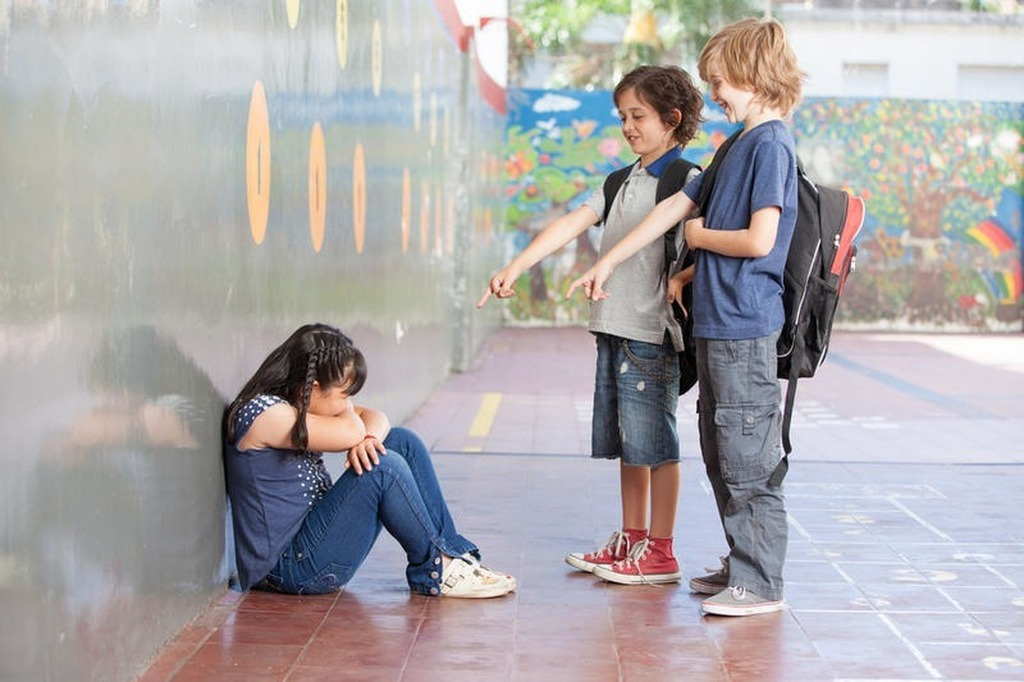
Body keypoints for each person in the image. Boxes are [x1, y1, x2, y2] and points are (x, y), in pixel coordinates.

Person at [567, 18, 805, 616]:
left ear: (755, 75)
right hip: (718, 325)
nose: (716, 93)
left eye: (720, 81)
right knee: (724, 450)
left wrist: (698, 235)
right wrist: (637, 267)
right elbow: (674, 208)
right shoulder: (737, 146)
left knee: (748, 456)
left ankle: (761, 582)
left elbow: (758, 240)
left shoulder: (771, 143)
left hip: (746, 326)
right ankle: (741, 562)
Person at [479, 65, 705, 585]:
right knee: (630, 443)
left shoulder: (684, 180)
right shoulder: (620, 180)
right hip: (615, 328)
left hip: (652, 332)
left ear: (672, 119)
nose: (627, 126)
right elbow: (570, 223)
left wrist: (684, 276)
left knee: (657, 444)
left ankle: (662, 550)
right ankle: (632, 538)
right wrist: (517, 265)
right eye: (623, 116)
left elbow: (707, 243)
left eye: (638, 116)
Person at [222, 323, 515, 598]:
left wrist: (368, 439)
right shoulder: (267, 415)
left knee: (401, 442)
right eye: (344, 395)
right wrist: (353, 419)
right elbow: (352, 427)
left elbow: (377, 419)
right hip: (289, 568)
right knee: (383, 469)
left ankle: (451, 555)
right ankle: (436, 571)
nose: (347, 403)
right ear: (310, 389)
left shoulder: (290, 405)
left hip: (311, 544)